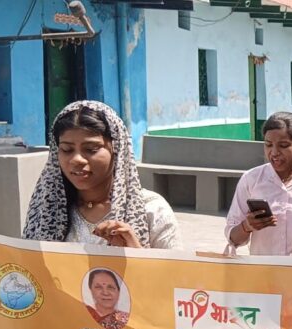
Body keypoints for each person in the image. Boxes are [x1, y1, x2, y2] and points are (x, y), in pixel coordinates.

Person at [24, 100, 182, 249]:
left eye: (91, 149)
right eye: (67, 149)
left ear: (116, 149)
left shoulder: (152, 210)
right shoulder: (47, 210)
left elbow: (176, 268)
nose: (76, 159)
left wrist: (135, 253)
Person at [225, 112, 292, 255]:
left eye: (283, 145)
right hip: (263, 268)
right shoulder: (251, 179)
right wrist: (247, 226)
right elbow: (233, 238)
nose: (274, 152)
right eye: (268, 145)